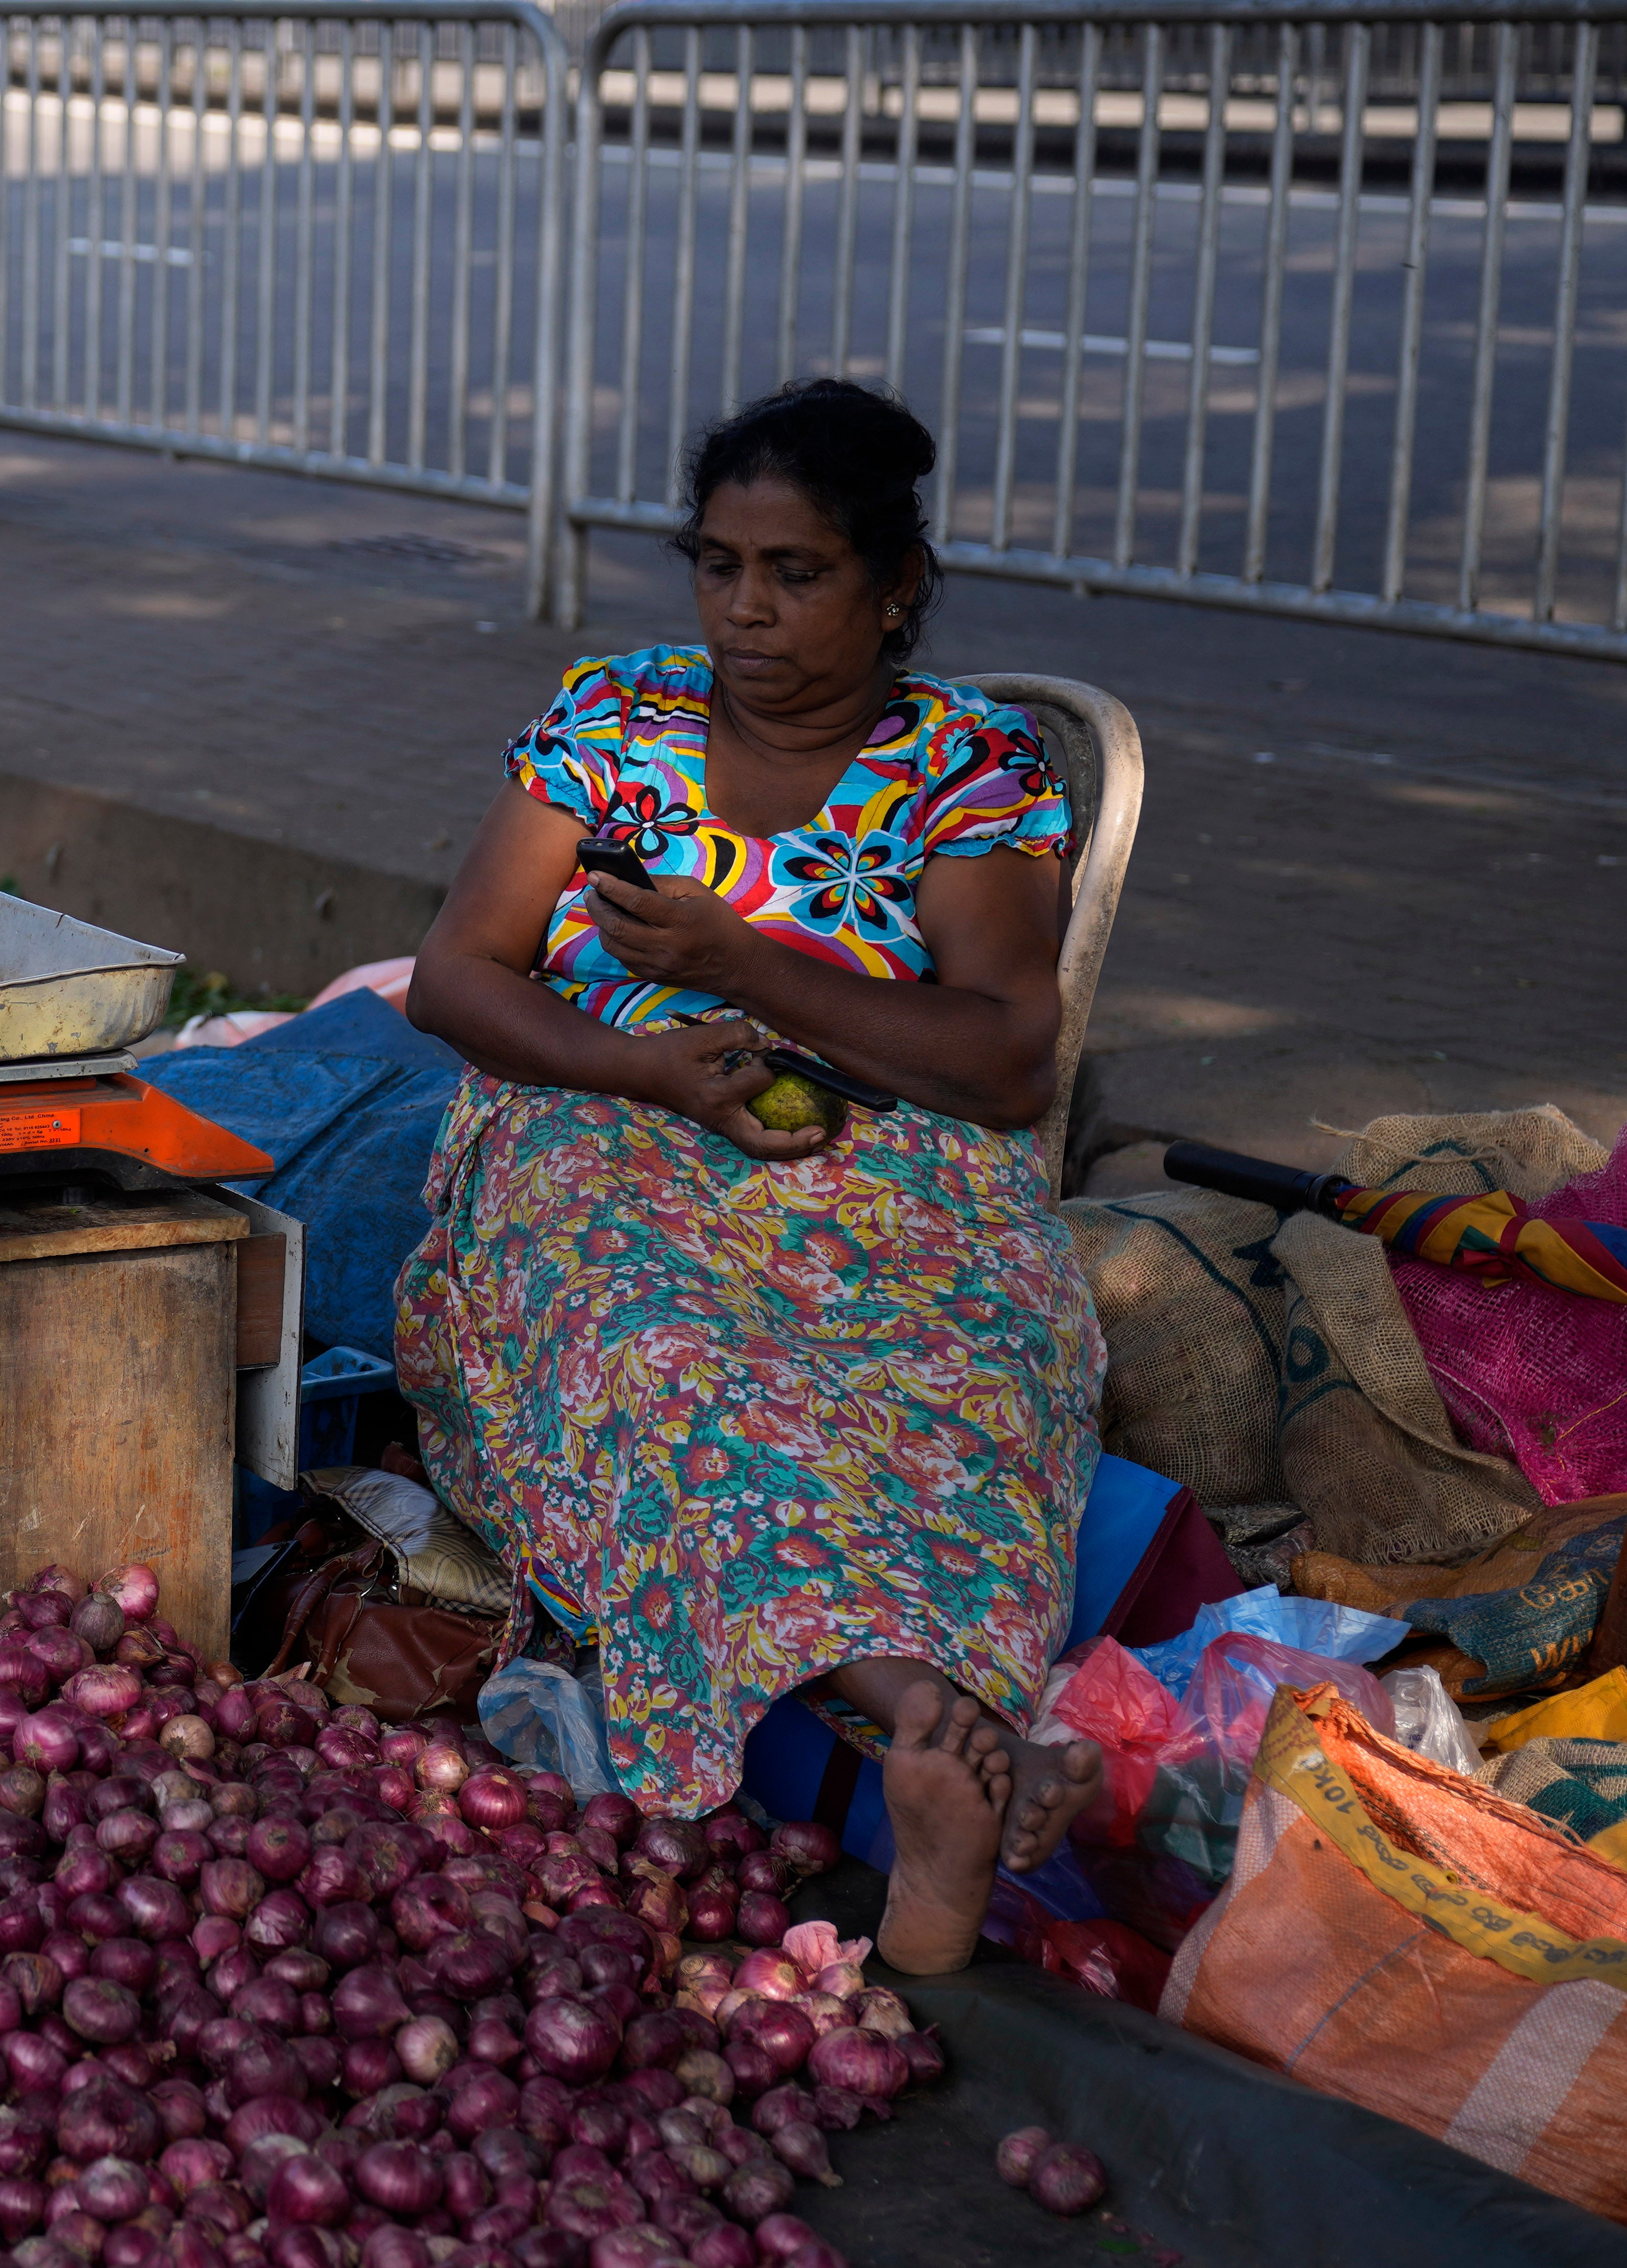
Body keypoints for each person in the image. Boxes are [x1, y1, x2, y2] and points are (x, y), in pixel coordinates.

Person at [394, 380, 1106, 1979]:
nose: (745, 610)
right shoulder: (616, 721)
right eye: (718, 566)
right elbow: (454, 976)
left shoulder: (966, 766)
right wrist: (650, 1059)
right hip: (607, 1130)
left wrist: (748, 960)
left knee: (954, 1378)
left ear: (894, 588)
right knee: (673, 1364)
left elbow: (1003, 1057)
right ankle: (942, 1726)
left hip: (891, 1159)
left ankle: (942, 1742)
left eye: (795, 573)